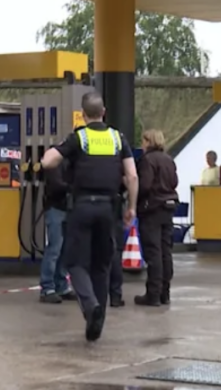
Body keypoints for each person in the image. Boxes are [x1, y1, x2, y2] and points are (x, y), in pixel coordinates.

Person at [41, 91, 138, 342]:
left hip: (82, 207)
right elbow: (132, 176)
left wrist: (57, 150)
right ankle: (98, 322)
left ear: (83, 115)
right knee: (102, 265)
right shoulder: (118, 138)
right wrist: (132, 207)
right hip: (109, 209)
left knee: (75, 263)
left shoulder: (79, 138)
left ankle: (90, 306)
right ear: (103, 112)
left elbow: (48, 162)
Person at [134, 129, 179, 307]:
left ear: (148, 141)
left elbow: (144, 185)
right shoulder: (169, 159)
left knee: (153, 252)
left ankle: (152, 294)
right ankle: (164, 293)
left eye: (143, 140)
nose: (142, 144)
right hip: (168, 207)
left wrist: (135, 198)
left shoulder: (147, 160)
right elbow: (174, 182)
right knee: (165, 251)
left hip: (152, 208)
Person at [39, 161, 76, 304]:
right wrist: (74, 187)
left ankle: (61, 285)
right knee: (54, 248)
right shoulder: (55, 162)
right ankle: (47, 288)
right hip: (56, 208)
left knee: (65, 249)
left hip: (68, 208)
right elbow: (55, 185)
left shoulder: (71, 161)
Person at [109, 184, 127, 308]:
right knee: (115, 252)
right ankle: (115, 295)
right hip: (115, 203)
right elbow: (131, 178)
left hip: (90, 203)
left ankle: (94, 296)